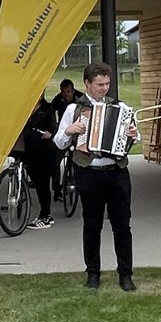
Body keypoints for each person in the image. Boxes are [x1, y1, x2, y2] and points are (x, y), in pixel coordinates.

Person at [54, 63, 139, 291]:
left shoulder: (120, 107)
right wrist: (69, 131)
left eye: (107, 84)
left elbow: (134, 135)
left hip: (116, 171)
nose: (104, 89)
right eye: (100, 84)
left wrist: (133, 133)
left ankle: (126, 274)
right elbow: (59, 141)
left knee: (122, 225)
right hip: (89, 172)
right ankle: (93, 273)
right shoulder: (74, 109)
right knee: (92, 225)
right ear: (87, 84)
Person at [21, 95, 57, 229]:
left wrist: (50, 133)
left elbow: (53, 126)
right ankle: (44, 213)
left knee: (43, 182)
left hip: (44, 148)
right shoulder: (25, 106)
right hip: (28, 147)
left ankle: (45, 215)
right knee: (36, 179)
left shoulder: (47, 108)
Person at [48, 79, 85, 201]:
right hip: (63, 131)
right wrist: (55, 129)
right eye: (63, 92)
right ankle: (56, 189)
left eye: (68, 92)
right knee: (55, 160)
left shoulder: (80, 98)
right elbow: (51, 113)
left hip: (77, 132)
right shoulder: (58, 100)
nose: (66, 95)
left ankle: (78, 183)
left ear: (73, 91)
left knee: (77, 159)